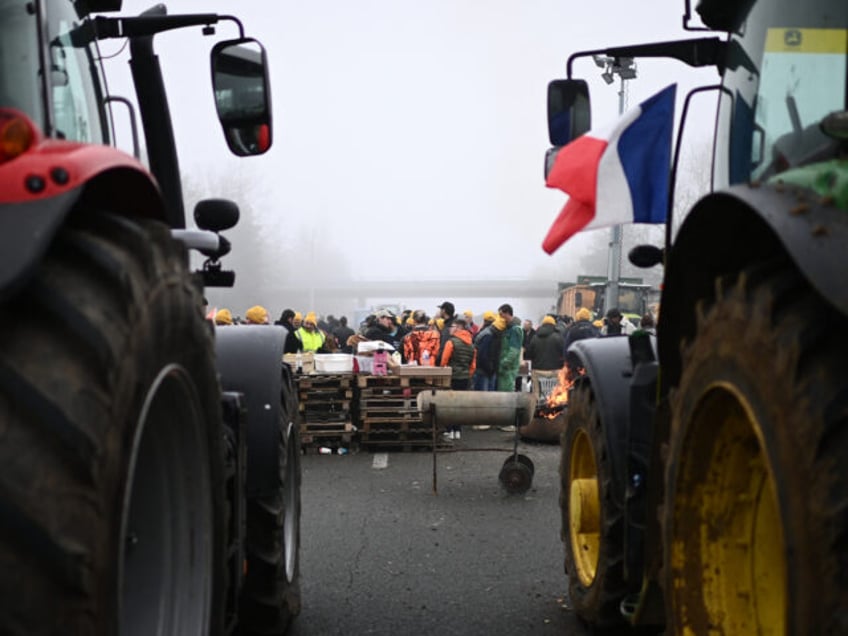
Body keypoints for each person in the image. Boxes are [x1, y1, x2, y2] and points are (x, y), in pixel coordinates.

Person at [439, 315, 476, 439]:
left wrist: (443, 370)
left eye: (452, 327)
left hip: (452, 376)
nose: (449, 329)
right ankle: (458, 430)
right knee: (459, 404)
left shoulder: (451, 342)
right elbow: (473, 365)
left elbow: (444, 360)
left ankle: (449, 430)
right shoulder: (471, 344)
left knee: (449, 404)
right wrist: (467, 374)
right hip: (464, 378)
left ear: (458, 328)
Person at [495, 304, 524, 393]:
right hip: (504, 367)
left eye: (501, 315)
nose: (500, 317)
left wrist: (504, 363)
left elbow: (514, 350)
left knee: (506, 393)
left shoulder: (515, 329)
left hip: (508, 368)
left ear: (507, 313)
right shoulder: (507, 328)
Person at [562, 307, 600, 374]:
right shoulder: (595, 330)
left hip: (576, 365)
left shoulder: (572, 331)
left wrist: (567, 362)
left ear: (578, 317)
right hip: (592, 365)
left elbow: (566, 349)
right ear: (588, 317)